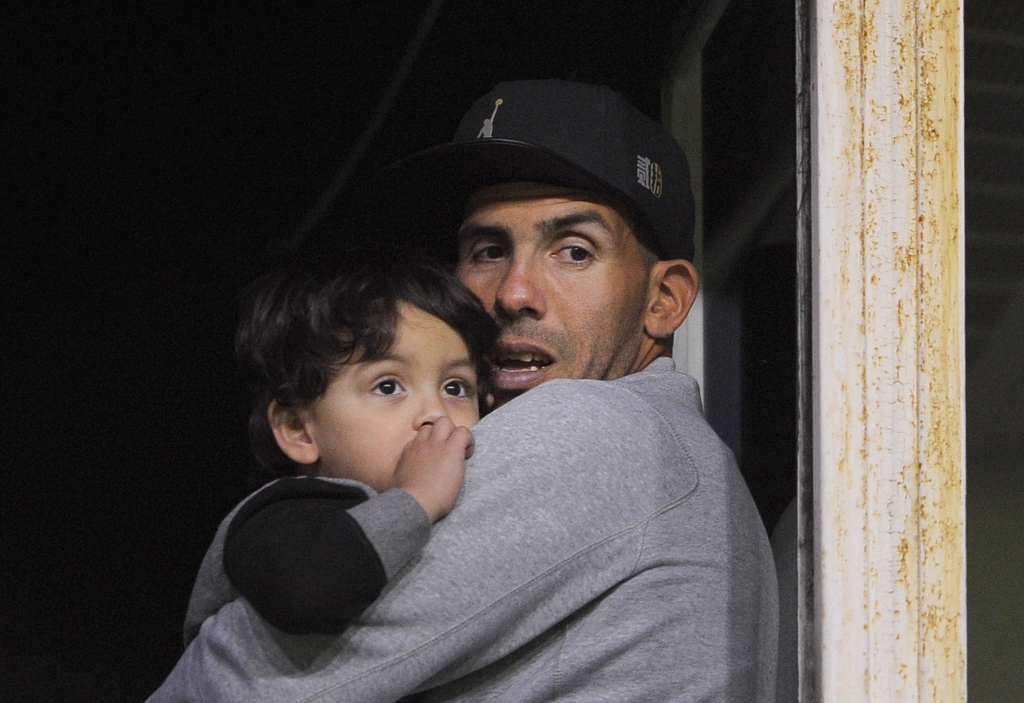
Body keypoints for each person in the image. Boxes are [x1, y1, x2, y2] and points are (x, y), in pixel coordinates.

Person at [149, 79, 778, 703]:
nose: (512, 292)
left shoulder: (595, 428)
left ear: (663, 301)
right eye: (486, 249)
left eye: (575, 251)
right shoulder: (686, 460)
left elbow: (235, 685)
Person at [181, 252, 498, 643]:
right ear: (300, 430)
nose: (436, 413)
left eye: (455, 387)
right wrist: (416, 499)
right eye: (388, 386)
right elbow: (304, 593)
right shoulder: (279, 515)